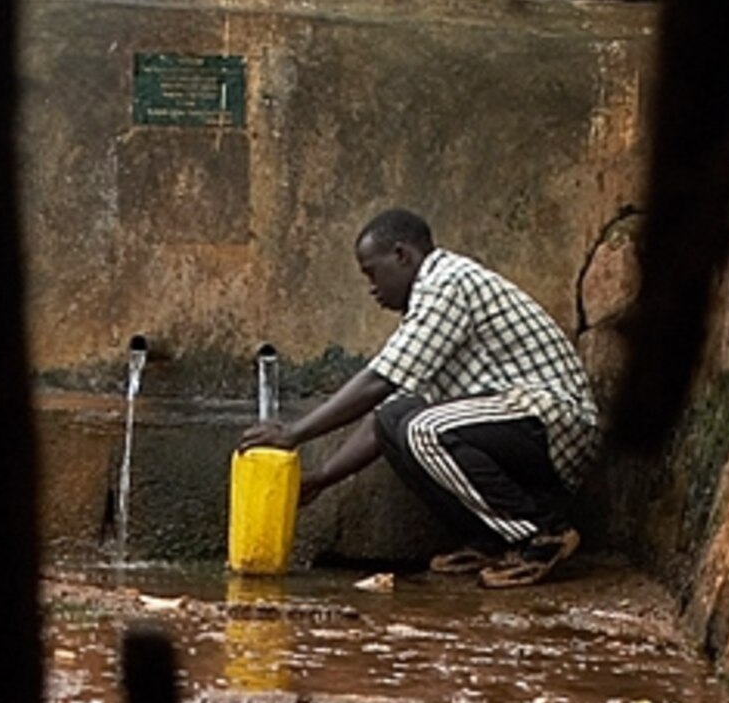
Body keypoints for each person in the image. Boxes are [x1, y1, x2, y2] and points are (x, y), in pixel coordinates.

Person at [237, 208, 600, 588]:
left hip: (554, 426)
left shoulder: (446, 284)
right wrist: (324, 479)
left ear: (402, 255)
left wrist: (294, 433)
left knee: (423, 429)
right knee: (395, 420)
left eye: (371, 272)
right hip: (513, 424)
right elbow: (383, 409)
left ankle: (543, 535)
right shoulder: (428, 302)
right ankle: (493, 540)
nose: (372, 288)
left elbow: (379, 379)